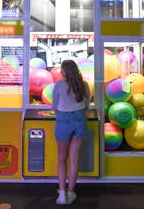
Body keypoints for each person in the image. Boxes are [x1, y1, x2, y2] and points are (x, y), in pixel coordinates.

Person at [52, 59, 90, 205]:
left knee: (62, 158)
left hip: (63, 119)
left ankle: (61, 194)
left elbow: (54, 106)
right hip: (80, 119)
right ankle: (70, 191)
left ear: (63, 71)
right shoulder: (84, 85)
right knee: (74, 159)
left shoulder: (59, 84)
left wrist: (62, 114)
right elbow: (86, 105)